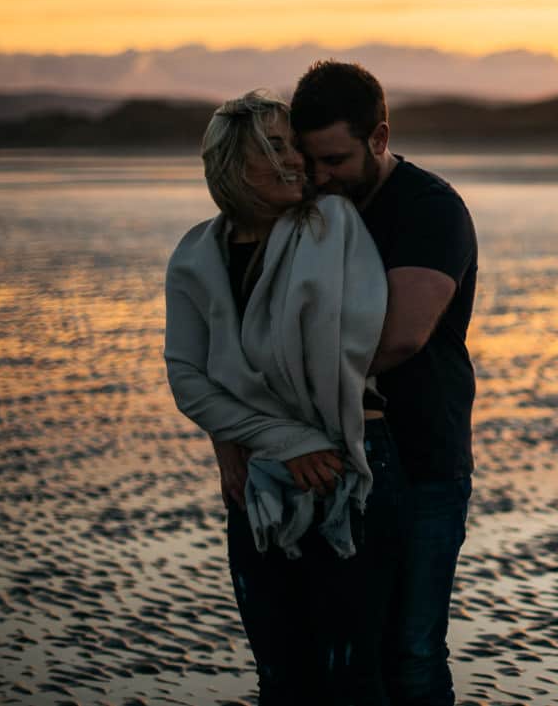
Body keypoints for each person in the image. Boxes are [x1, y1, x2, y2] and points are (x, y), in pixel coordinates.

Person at [164, 90, 406, 705]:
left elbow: (340, 346)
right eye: (274, 147)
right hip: (261, 476)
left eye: (292, 144)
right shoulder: (195, 255)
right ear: (231, 166)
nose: (296, 160)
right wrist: (280, 439)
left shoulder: (332, 226)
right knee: (281, 676)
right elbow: (188, 376)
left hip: (349, 462)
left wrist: (246, 423)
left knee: (352, 675)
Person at [289, 60, 478, 706]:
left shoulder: (430, 208)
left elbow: (399, 335)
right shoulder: (314, 207)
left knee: (414, 653)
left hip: (425, 460)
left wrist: (284, 383)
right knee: (339, 655)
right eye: (308, 161)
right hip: (328, 465)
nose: (319, 177)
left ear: (379, 137)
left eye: (335, 159)